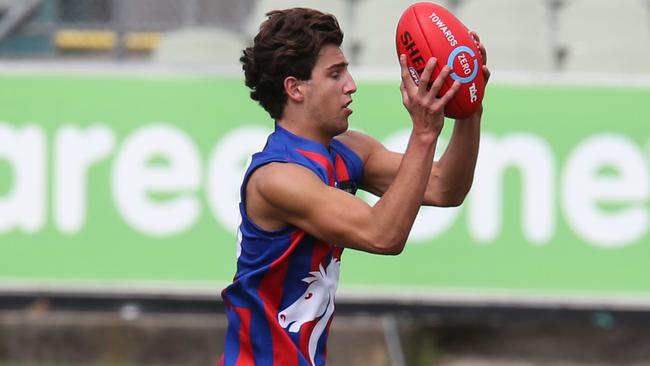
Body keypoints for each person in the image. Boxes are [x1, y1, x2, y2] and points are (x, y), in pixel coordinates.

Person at [219, 7, 489, 366]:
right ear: (295, 88)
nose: (351, 84)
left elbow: (445, 188)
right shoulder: (277, 178)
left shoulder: (349, 149)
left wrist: (468, 105)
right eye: (336, 73)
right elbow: (383, 236)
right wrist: (424, 133)